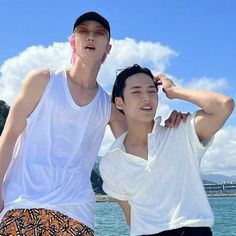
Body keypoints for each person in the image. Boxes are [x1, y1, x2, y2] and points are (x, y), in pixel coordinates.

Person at [0, 12, 186, 235]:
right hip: (22, 204)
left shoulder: (107, 106)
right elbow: (9, 136)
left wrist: (177, 122)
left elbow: (140, 147)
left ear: (107, 48)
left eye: (99, 33)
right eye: (83, 31)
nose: (91, 37)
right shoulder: (42, 81)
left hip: (77, 214)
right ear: (73, 41)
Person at [99, 64, 234, 236]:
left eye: (151, 91)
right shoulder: (111, 162)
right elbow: (131, 216)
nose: (146, 97)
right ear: (119, 102)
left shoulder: (182, 132)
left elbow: (224, 105)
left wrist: (174, 90)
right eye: (136, 92)